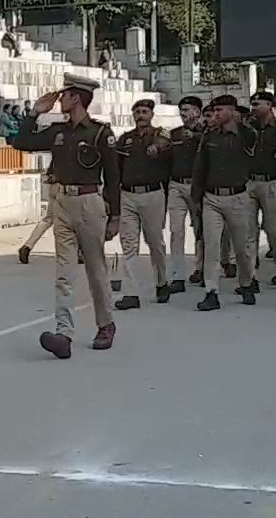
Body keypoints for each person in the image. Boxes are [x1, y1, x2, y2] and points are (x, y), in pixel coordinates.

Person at [13, 74, 120, 358]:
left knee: (96, 270)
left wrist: (115, 216)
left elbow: (113, 177)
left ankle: (105, 324)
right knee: (64, 274)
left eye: (64, 95)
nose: (59, 100)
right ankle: (64, 333)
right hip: (62, 202)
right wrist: (35, 112)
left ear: (76, 98)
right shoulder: (58, 131)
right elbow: (21, 142)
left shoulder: (100, 133)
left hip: (89, 202)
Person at [190, 95, 260, 310]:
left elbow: (252, 137)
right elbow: (200, 167)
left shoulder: (245, 134)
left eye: (220, 110)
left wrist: (239, 122)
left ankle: (247, 282)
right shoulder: (209, 136)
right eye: (214, 110)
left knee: (241, 247)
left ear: (231, 111)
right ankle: (211, 291)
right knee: (212, 246)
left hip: (237, 197)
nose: (216, 114)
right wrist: (196, 197)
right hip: (212, 198)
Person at [111, 99, 171, 309]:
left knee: (155, 242)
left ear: (151, 114)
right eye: (137, 111)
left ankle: (162, 281)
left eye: (144, 111)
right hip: (128, 194)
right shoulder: (125, 139)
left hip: (152, 193)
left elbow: (165, 149)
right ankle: (131, 293)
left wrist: (158, 148)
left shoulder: (161, 135)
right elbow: (116, 167)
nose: (140, 115)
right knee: (129, 244)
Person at [246, 91, 276, 288]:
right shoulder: (248, 128)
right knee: (248, 231)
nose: (254, 107)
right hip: (249, 182)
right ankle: (249, 275)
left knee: (274, 230)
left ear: (269, 105)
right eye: (252, 104)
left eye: (258, 103)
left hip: (271, 182)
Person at [166, 96, 205, 293]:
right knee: (176, 231)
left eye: (188, 109)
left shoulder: (207, 134)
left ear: (198, 112)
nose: (183, 113)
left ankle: (201, 268)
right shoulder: (174, 135)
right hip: (176, 185)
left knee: (201, 230)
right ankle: (177, 276)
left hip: (197, 187)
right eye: (181, 109)